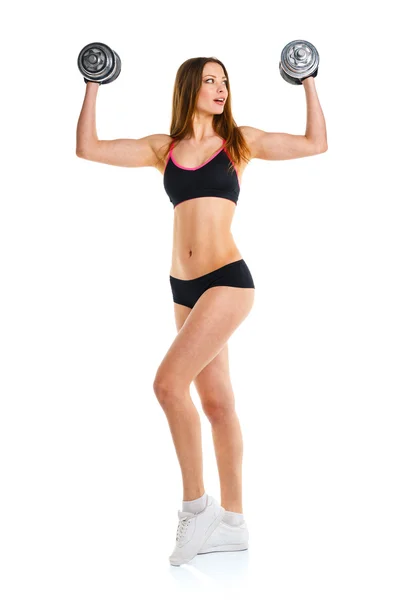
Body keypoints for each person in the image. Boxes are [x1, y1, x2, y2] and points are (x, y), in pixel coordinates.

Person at [76, 56, 328, 566]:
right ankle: (233, 522)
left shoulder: (240, 142)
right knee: (216, 404)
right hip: (182, 286)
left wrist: (309, 80)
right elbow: (88, 148)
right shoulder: (162, 149)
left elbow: (314, 143)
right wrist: (92, 83)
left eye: (226, 81)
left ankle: (195, 508)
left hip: (227, 280)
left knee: (167, 385)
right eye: (211, 80)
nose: (221, 88)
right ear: (189, 87)